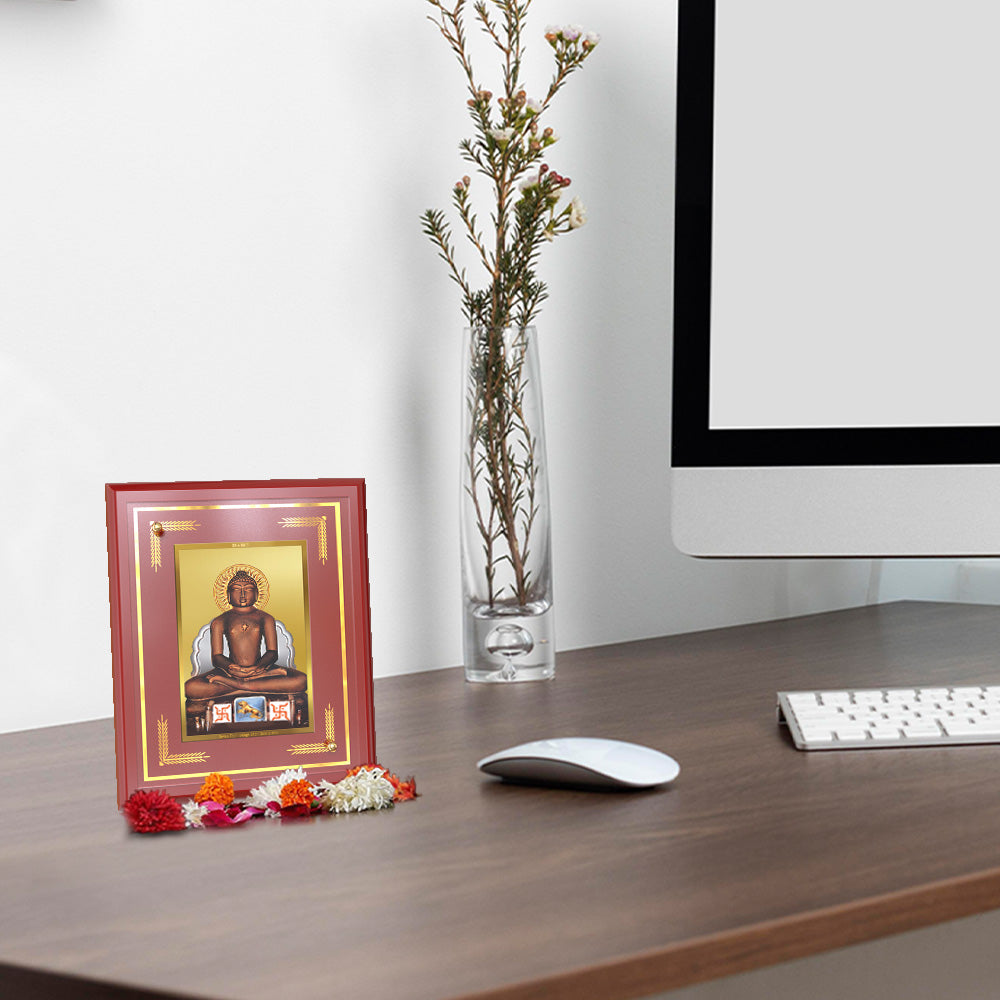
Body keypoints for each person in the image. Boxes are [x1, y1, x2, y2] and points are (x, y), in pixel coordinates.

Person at [184, 570, 307, 701]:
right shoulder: (220, 621)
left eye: (248, 589)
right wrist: (231, 667)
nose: (242, 594)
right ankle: (254, 687)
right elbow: (217, 656)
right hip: (231, 673)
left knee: (301, 680)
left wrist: (259, 667)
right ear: (228, 595)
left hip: (260, 670)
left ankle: (240, 686)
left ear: (256, 594)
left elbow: (272, 652)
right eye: (236, 590)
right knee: (191, 687)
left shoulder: (266, 618)